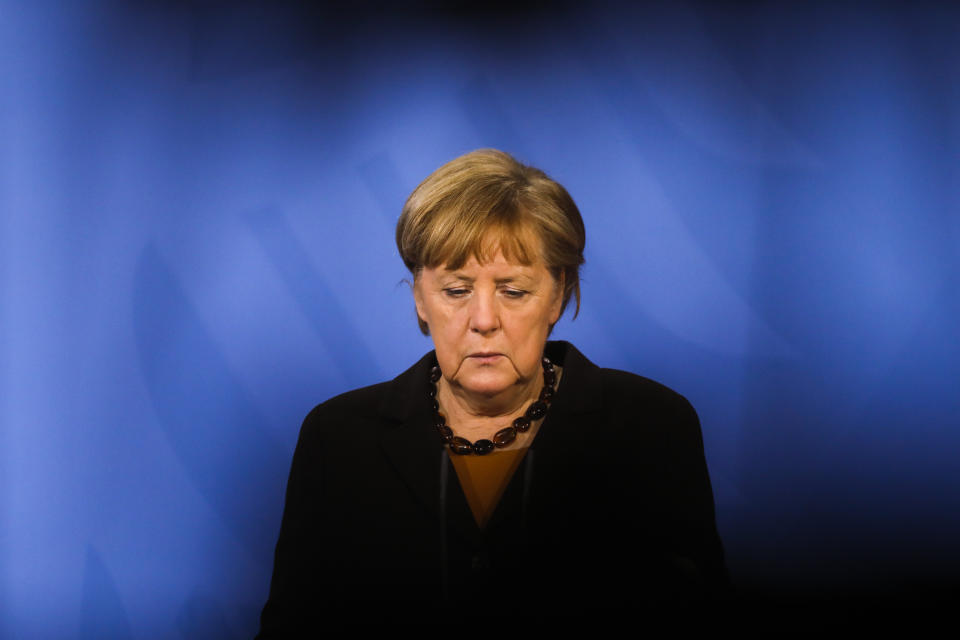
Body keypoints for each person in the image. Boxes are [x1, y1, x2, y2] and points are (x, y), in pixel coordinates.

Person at [256, 149, 727, 634]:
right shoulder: (337, 438)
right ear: (419, 297)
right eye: (457, 290)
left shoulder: (651, 427)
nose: (483, 320)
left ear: (558, 295)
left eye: (513, 290)